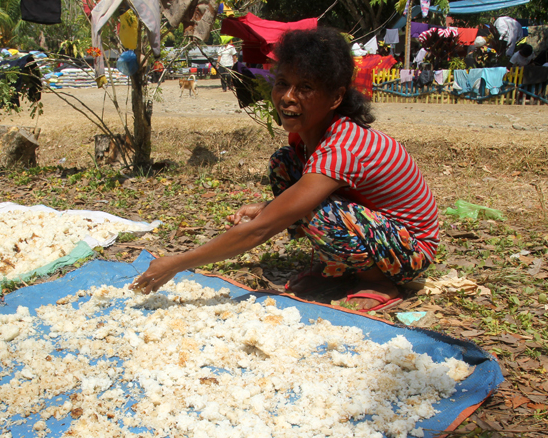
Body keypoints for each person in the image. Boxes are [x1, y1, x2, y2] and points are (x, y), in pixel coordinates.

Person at [132, 27, 439, 311]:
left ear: (336, 97)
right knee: (284, 163)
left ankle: (379, 282)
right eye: (282, 84)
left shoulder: (343, 148)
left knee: (314, 210)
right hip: (376, 229)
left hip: (409, 250)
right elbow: (296, 198)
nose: (288, 97)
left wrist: (176, 263)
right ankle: (335, 268)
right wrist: (266, 206)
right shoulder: (309, 138)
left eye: (305, 87)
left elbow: (264, 229)